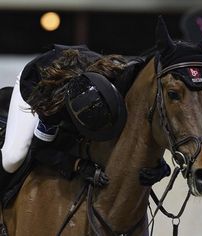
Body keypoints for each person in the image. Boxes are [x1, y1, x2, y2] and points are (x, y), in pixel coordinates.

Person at [0, 44, 128, 199]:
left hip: (76, 72)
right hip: (35, 84)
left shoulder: (114, 78)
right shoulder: (52, 107)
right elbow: (40, 149)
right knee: (13, 159)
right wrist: (77, 165)